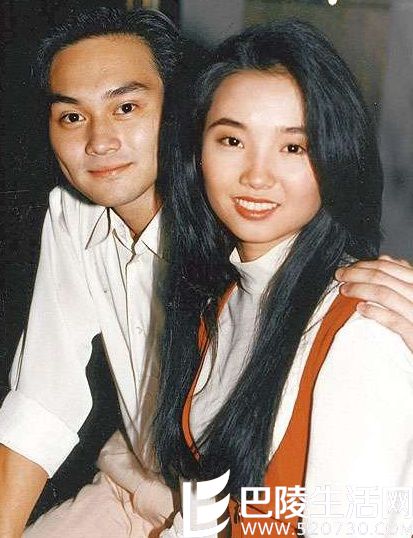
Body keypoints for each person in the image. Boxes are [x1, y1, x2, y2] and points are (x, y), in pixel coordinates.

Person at [154, 20, 413, 537]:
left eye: (293, 147)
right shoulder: (221, 300)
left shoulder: (361, 325)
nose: (256, 175)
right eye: (232, 139)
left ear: (336, 158)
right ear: (197, 152)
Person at [0, 7, 187, 537]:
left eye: (126, 107)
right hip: (132, 486)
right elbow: (43, 398)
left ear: (179, 110)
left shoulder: (235, 229)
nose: (99, 142)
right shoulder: (73, 214)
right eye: (72, 117)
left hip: (236, 510)